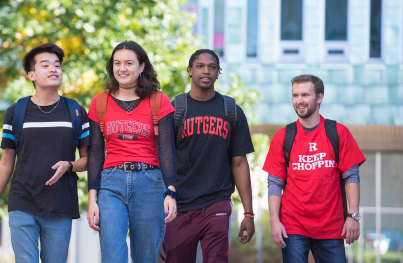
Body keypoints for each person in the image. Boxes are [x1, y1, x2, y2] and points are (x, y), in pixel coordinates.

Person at [0, 43, 90, 263]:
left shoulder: (76, 111)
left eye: (57, 65)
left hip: (60, 204)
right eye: (45, 65)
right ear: (31, 75)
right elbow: (6, 163)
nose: (53, 69)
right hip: (22, 202)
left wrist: (69, 165)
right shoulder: (16, 112)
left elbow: (88, 160)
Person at [86, 41, 178, 263]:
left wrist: (171, 191)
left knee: (145, 258)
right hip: (111, 184)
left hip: (150, 184)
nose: (122, 68)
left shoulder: (158, 100)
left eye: (129, 63)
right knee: (112, 256)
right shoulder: (100, 102)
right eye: (117, 63)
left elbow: (167, 149)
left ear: (141, 66)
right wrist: (92, 198)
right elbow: (96, 154)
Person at [163, 49, 255, 263]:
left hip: (217, 203)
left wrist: (248, 214)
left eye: (212, 67)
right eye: (200, 66)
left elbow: (239, 164)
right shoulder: (174, 110)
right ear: (189, 71)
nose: (206, 71)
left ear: (218, 72)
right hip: (179, 206)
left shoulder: (231, 110)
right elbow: (163, 160)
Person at [263, 74, 366, 263]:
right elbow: (275, 182)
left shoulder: (338, 132)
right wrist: (274, 221)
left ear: (319, 98)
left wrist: (353, 215)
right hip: (293, 227)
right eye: (295, 95)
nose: (299, 101)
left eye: (305, 95)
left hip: (331, 227)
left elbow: (351, 176)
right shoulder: (283, 136)